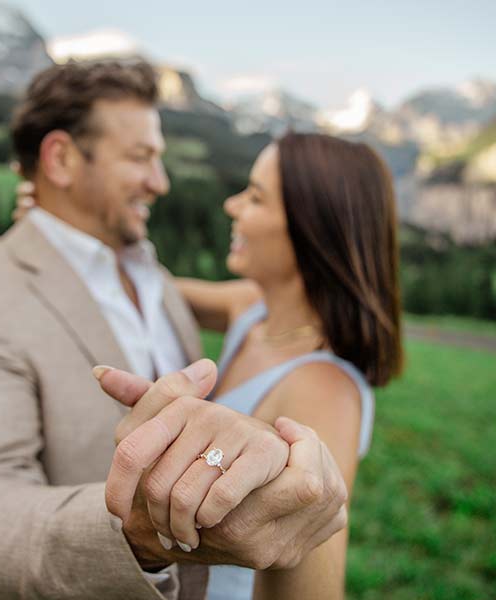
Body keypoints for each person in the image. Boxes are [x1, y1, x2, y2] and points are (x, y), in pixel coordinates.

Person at [0, 60, 347, 600]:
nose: (160, 183)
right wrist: (134, 533)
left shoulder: (154, 279)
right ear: (61, 159)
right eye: (141, 159)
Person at [87, 132, 403, 599]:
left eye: (255, 197)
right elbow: (153, 285)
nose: (232, 206)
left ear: (309, 227)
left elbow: (312, 577)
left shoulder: (323, 388)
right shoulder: (253, 309)